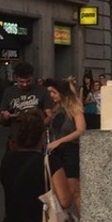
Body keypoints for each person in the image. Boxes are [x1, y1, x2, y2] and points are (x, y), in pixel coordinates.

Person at [44, 77, 86, 214]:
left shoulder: (74, 107)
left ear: (62, 93)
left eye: (54, 92)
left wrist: (59, 141)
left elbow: (81, 130)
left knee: (74, 191)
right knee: (57, 192)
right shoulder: (56, 109)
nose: (51, 96)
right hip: (56, 153)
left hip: (71, 151)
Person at [0, 62, 51, 136]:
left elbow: (49, 115)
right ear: (16, 78)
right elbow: (1, 116)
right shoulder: (9, 91)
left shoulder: (42, 90)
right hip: (16, 135)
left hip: (36, 136)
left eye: (28, 81)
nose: (25, 84)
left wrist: (40, 127)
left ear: (32, 77)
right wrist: (4, 116)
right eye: (21, 82)